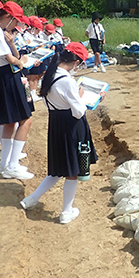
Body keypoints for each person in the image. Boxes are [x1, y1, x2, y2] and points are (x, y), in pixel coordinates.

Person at [21, 42, 100, 224]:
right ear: (75, 62)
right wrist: (80, 96)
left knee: (58, 168)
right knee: (72, 170)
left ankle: (31, 199)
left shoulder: (50, 75)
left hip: (56, 123)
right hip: (71, 126)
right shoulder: (67, 82)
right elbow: (78, 111)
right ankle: (66, 211)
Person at [0, 1, 36, 180]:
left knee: (9, 122)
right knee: (25, 120)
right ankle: (12, 165)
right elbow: (10, 59)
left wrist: (13, 45)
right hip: (8, 76)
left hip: (6, 76)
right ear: (7, 17)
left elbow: (11, 55)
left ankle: (4, 163)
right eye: (16, 21)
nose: (17, 25)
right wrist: (22, 62)